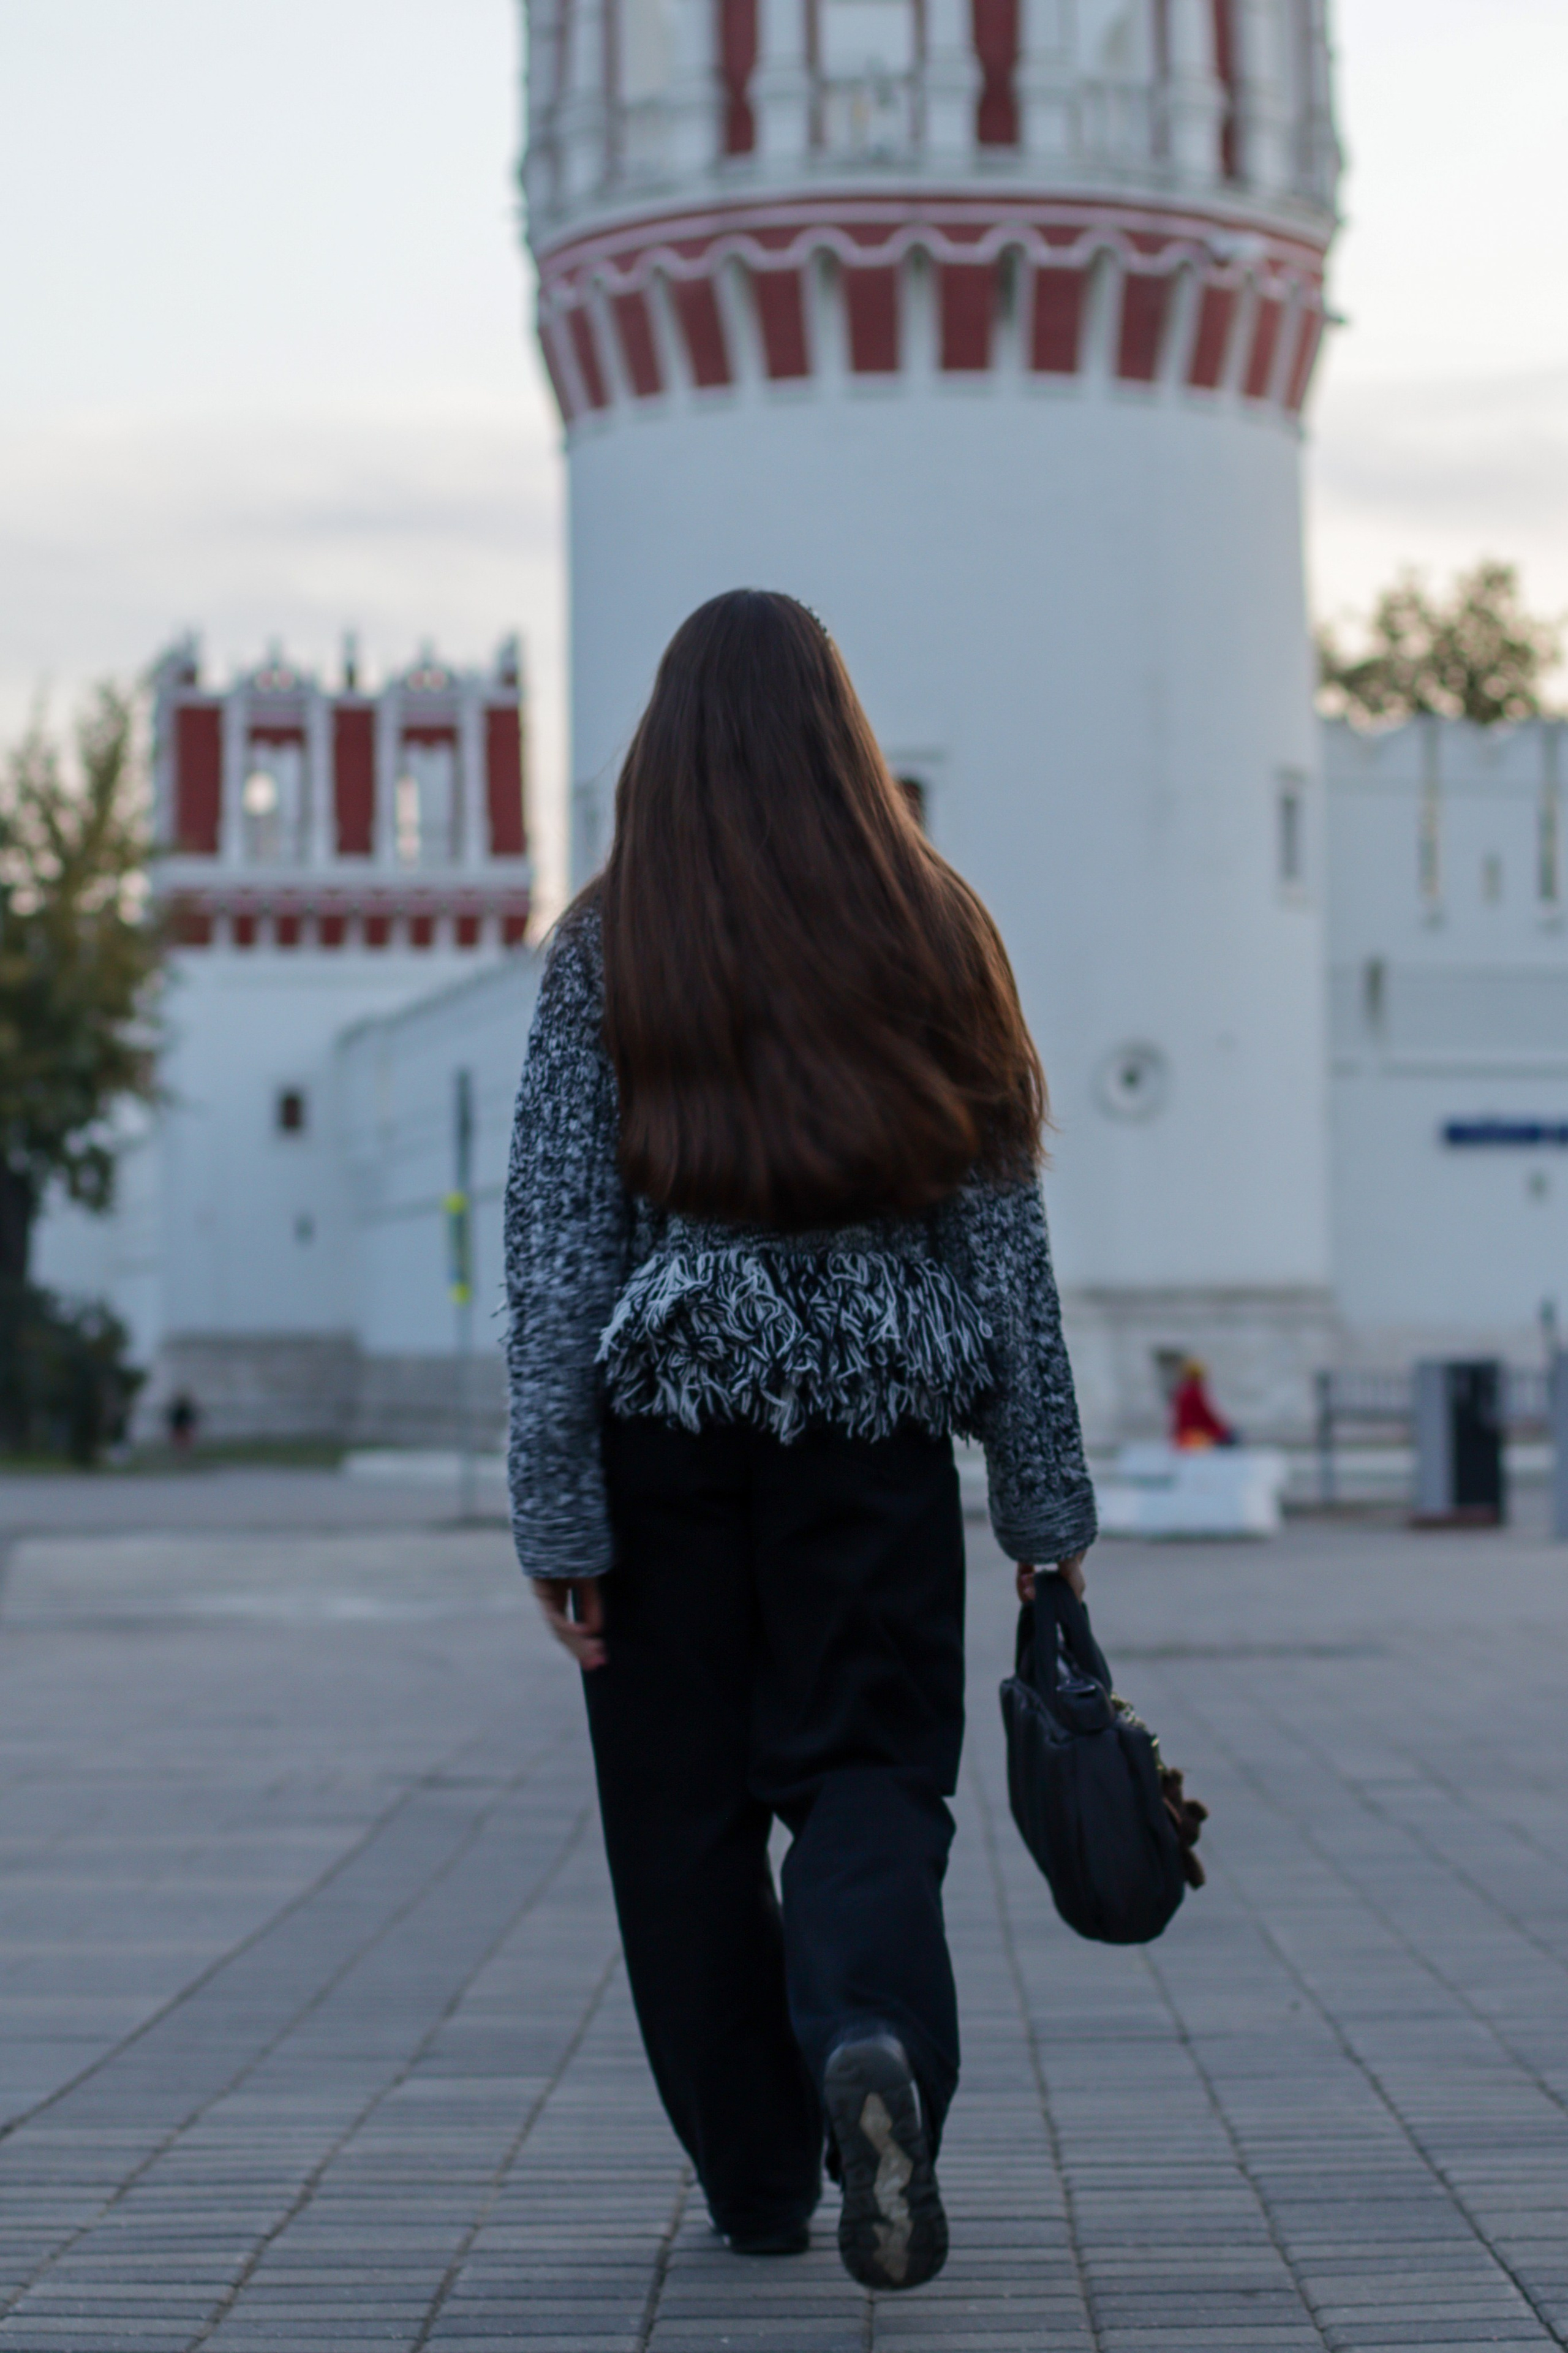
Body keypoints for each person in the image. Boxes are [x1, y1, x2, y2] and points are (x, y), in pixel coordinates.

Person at [505, 591, 1096, 2292]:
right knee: (872, 1782)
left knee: (678, 1826)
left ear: (664, 749)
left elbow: (559, 1252)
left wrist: (561, 1516)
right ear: (845, 735)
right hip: (876, 1439)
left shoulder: (612, 942)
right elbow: (1005, 1244)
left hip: (664, 1437)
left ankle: (761, 2182)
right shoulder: (937, 926)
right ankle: (874, 2044)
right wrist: (1041, 1500)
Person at [1170, 1357, 1237, 1449]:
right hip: (1194, 1434)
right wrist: (1222, 1427)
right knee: (1231, 1437)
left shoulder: (1183, 1391)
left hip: (1184, 1433)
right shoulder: (1195, 1392)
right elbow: (1204, 1415)